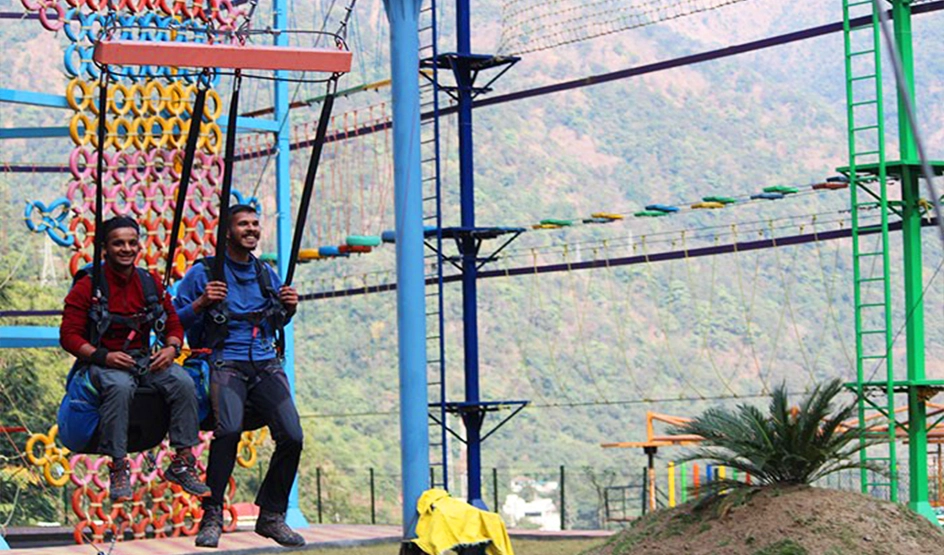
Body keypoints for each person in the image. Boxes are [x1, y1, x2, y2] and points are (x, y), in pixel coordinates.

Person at [174, 204, 304, 548]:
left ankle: (271, 515)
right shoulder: (204, 273)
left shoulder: (265, 274)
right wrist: (201, 302)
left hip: (264, 362)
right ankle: (212, 512)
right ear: (227, 232)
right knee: (228, 431)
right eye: (243, 224)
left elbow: (275, 322)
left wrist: (288, 308)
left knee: (292, 435)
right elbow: (172, 322)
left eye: (255, 224)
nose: (251, 229)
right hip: (225, 361)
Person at [60, 216, 211, 502]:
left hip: (142, 358)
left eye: (132, 243)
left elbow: (173, 321)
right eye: (118, 243)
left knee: (182, 381)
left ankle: (182, 460)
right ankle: (118, 465)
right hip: (101, 362)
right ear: (105, 248)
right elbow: (69, 335)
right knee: (119, 386)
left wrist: (171, 348)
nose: (126, 249)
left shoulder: (148, 282)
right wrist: (103, 356)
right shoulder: (89, 287)